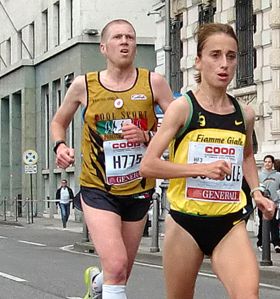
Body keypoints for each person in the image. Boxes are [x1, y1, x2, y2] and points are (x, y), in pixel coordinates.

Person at [139, 23, 275, 299]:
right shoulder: (182, 109)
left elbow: (246, 154)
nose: (224, 64)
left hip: (229, 222)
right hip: (185, 222)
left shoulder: (244, 113)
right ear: (198, 62)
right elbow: (149, 165)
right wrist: (201, 169)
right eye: (215, 55)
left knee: (248, 295)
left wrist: (257, 191)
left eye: (231, 56)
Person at [51, 19, 173, 299]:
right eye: (118, 37)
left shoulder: (153, 82)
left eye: (130, 37)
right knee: (117, 265)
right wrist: (60, 146)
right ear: (104, 48)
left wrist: (147, 136)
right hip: (98, 188)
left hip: (139, 187)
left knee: (120, 272)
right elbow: (59, 121)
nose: (125, 42)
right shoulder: (84, 86)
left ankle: (96, 284)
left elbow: (176, 126)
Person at [257, 155, 280, 253]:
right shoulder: (259, 175)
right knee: (262, 223)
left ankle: (277, 243)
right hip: (262, 202)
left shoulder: (279, 175)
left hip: (274, 202)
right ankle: (261, 242)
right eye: (266, 162)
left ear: (272, 164)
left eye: (269, 162)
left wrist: (279, 201)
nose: (267, 164)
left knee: (274, 223)